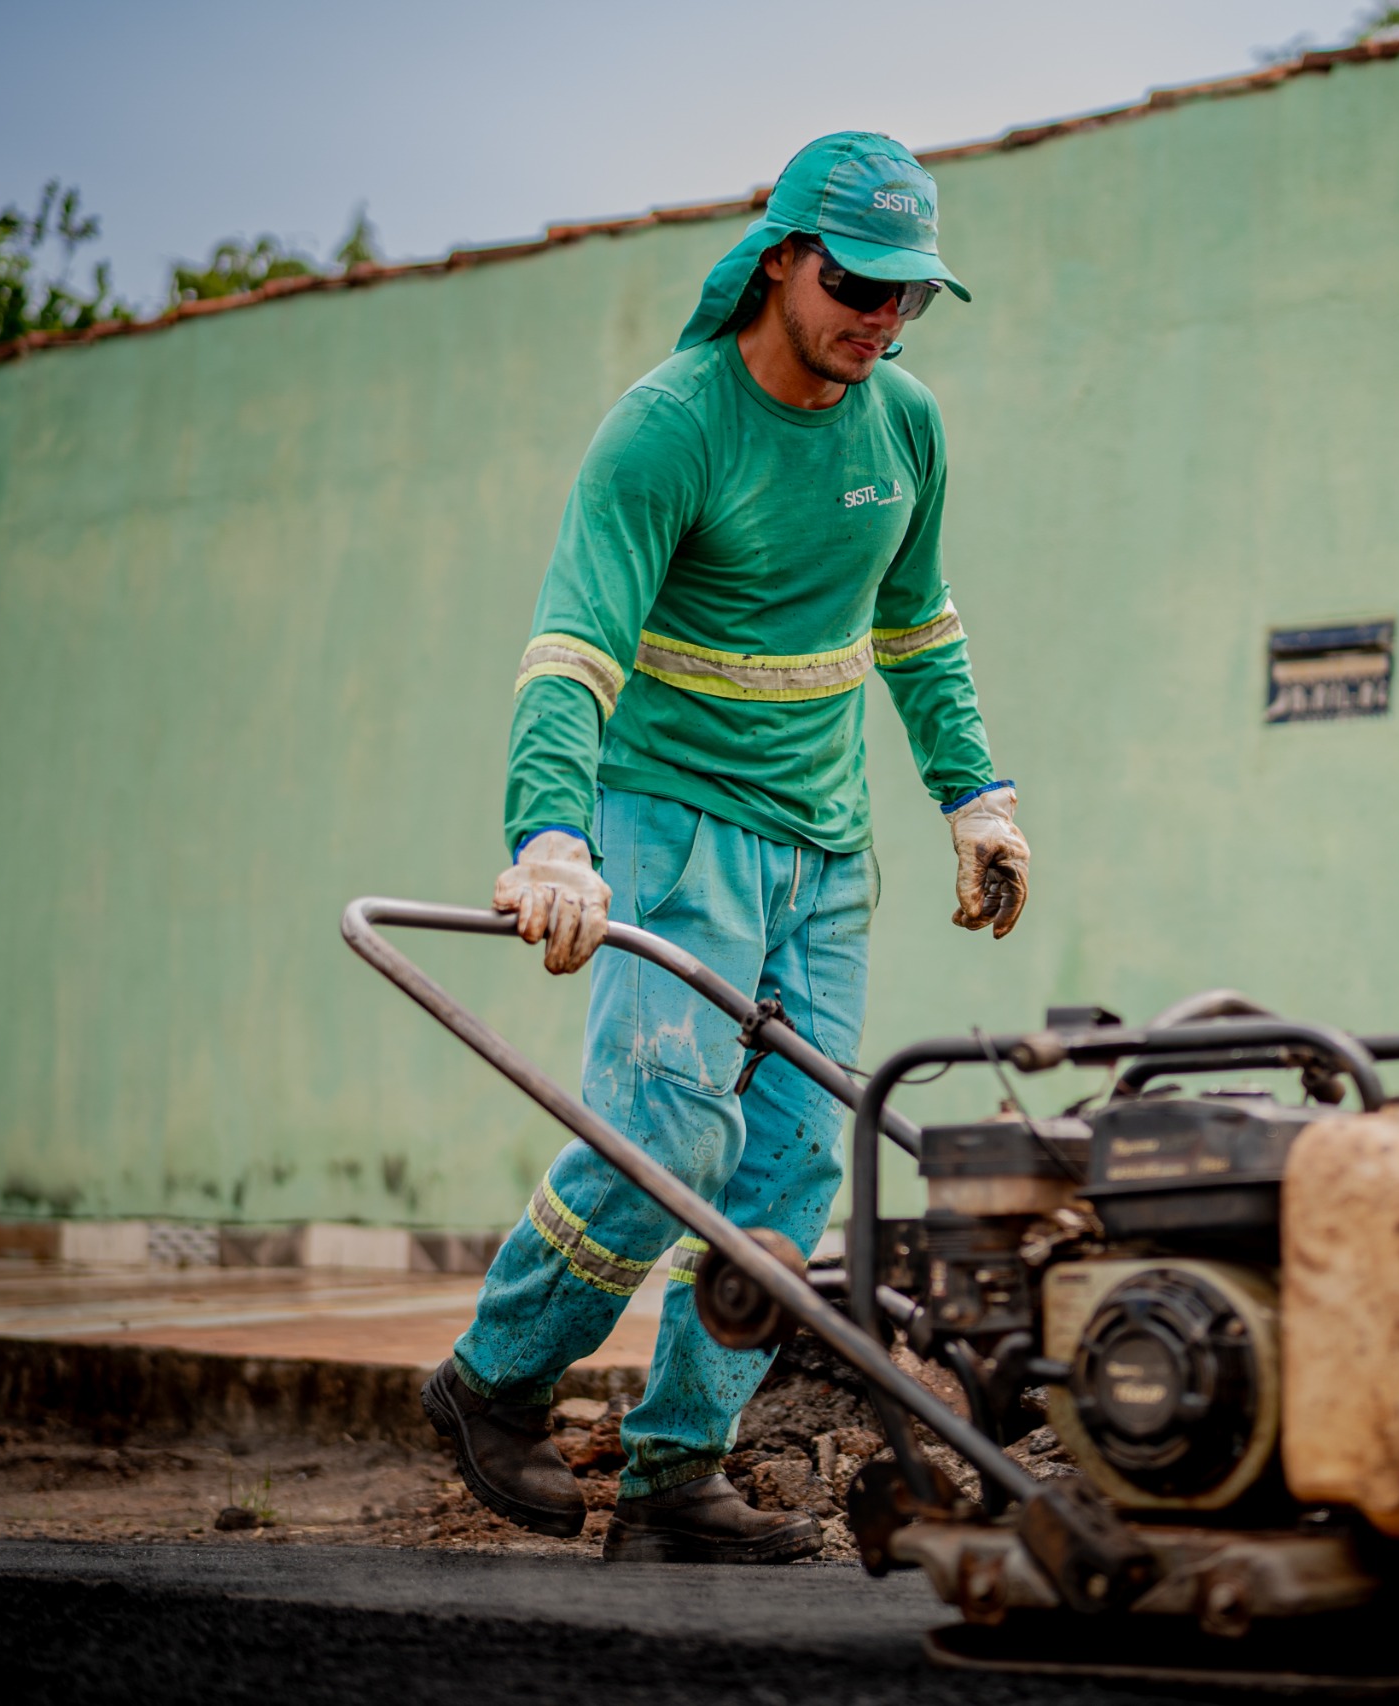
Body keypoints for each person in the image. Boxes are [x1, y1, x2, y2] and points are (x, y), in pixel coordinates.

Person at [421, 133, 1029, 1564]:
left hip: (824, 844)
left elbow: (917, 626)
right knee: (663, 1134)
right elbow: (571, 650)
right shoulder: (668, 427)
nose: (879, 319)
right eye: (856, 285)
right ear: (779, 259)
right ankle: (493, 1378)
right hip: (671, 815)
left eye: (909, 297)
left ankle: (674, 1470)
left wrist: (975, 797)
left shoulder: (906, 429)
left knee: (790, 1170)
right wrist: (553, 833)